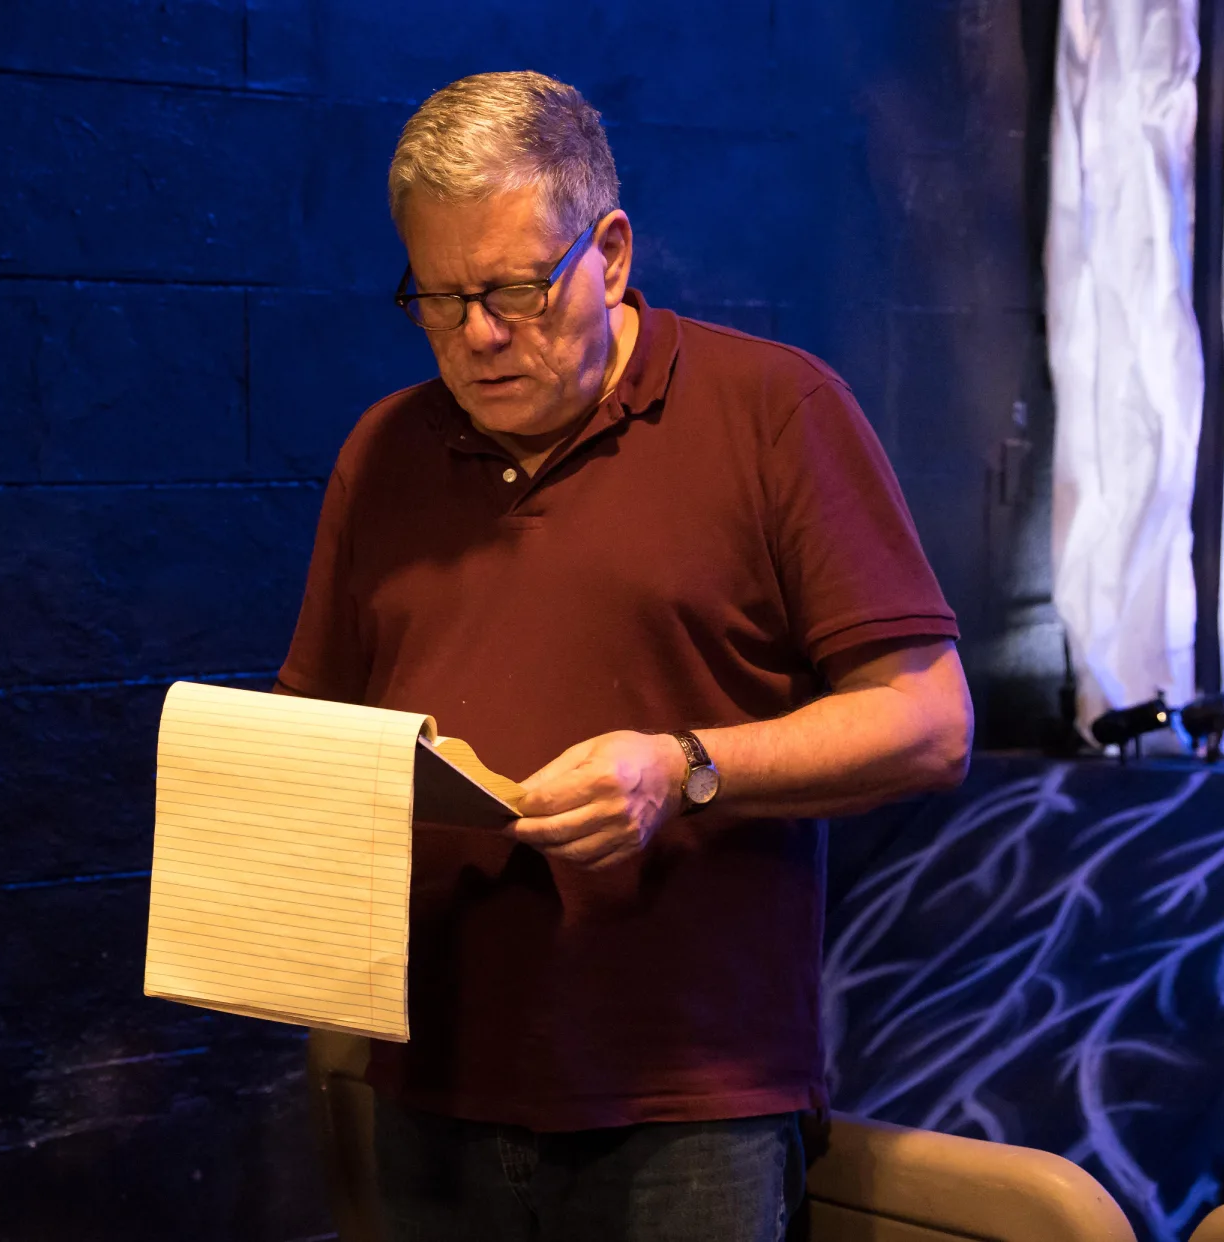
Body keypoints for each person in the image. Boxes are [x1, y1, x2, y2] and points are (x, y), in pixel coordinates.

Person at [276, 72, 973, 1240]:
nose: (480, 337)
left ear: (609, 248)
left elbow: (930, 722)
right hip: (430, 1083)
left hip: (688, 1103)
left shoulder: (775, 411)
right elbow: (314, 744)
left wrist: (685, 768)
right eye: (438, 300)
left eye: (514, 289)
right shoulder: (383, 452)